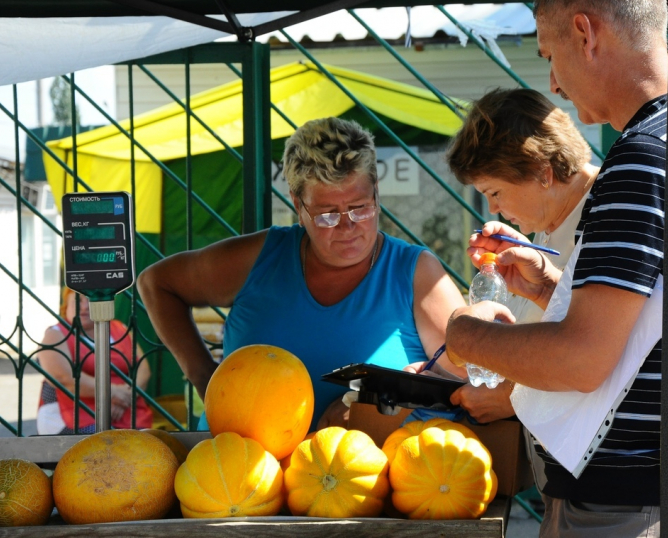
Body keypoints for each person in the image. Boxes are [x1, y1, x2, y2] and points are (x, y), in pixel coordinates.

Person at [444, 0, 668, 536]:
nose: (553, 80)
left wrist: (466, 336)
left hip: (635, 507)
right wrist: (554, 290)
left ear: (585, 33)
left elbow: (582, 360)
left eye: (550, 54)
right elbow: (665, 324)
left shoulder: (646, 158)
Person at [138, 117, 466, 431]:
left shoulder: (416, 273)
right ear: (298, 204)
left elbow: (466, 385)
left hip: (362, 477)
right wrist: (204, 378)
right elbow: (157, 283)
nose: (347, 226)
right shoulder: (259, 259)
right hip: (239, 471)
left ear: (376, 193)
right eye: (327, 214)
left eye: (360, 207)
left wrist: (372, 402)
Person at [442, 87, 598, 425]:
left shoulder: (604, 215)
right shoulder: (554, 219)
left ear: (542, 172)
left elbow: (601, 351)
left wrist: (513, 398)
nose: (493, 209)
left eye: (495, 193)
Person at [36, 286, 152, 434]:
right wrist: (112, 392)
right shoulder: (56, 334)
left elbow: (143, 368)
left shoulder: (120, 328)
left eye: (91, 302)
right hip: (79, 414)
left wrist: (125, 397)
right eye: (77, 301)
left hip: (126, 409)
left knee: (146, 446)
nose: (84, 307)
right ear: (66, 306)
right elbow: (63, 378)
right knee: (104, 449)